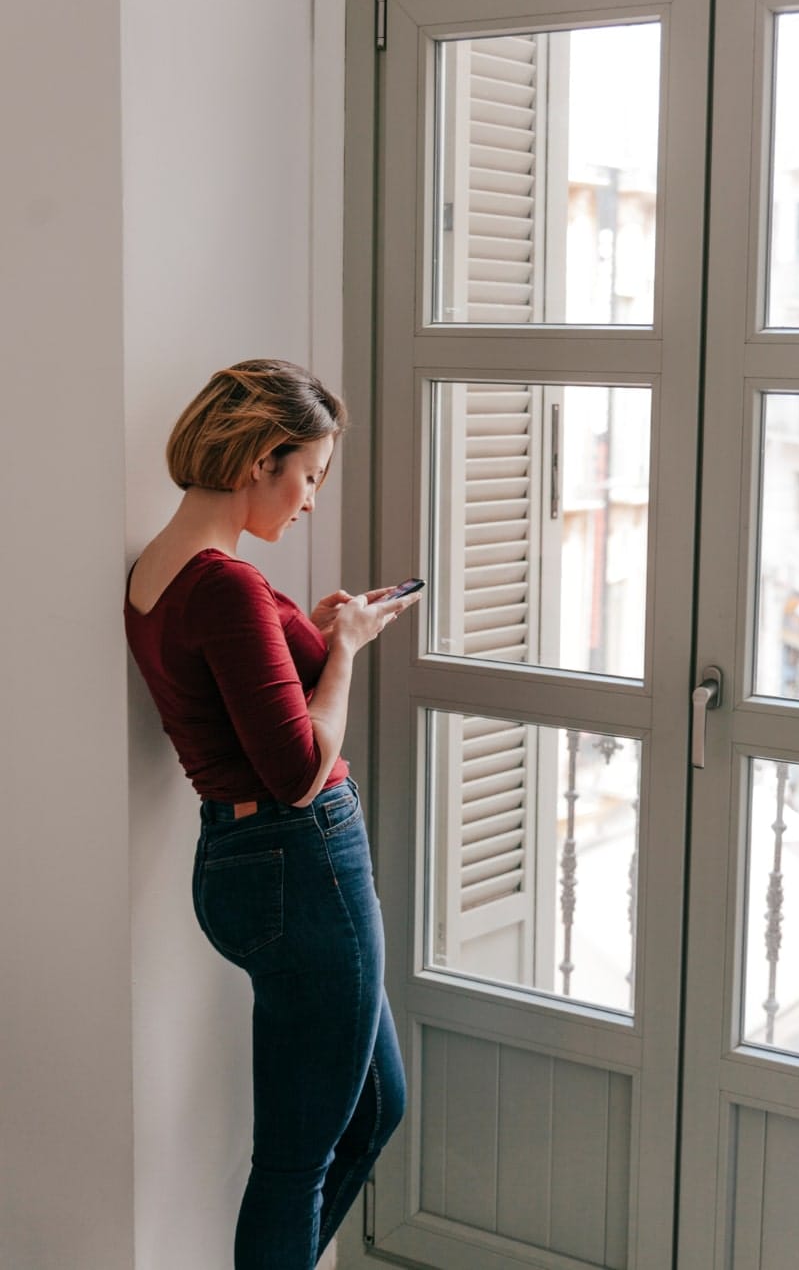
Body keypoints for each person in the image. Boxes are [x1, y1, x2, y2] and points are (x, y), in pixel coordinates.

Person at [124, 359, 417, 1269]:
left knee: (375, 1104)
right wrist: (349, 655)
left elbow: (244, 699)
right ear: (261, 460)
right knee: (296, 1162)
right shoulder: (226, 585)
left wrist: (318, 638)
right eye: (310, 477)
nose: (311, 501)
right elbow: (297, 771)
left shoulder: (159, 572)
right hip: (301, 860)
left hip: (252, 865)